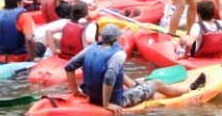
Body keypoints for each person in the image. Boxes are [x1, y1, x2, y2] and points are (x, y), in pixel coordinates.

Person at [65, 25, 206, 114]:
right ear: (118, 39)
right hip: (114, 100)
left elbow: (69, 66)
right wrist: (107, 104)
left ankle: (135, 86)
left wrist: (76, 91)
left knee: (117, 71)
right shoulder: (118, 54)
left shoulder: (91, 48)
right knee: (157, 83)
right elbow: (109, 78)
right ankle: (191, 88)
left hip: (90, 94)